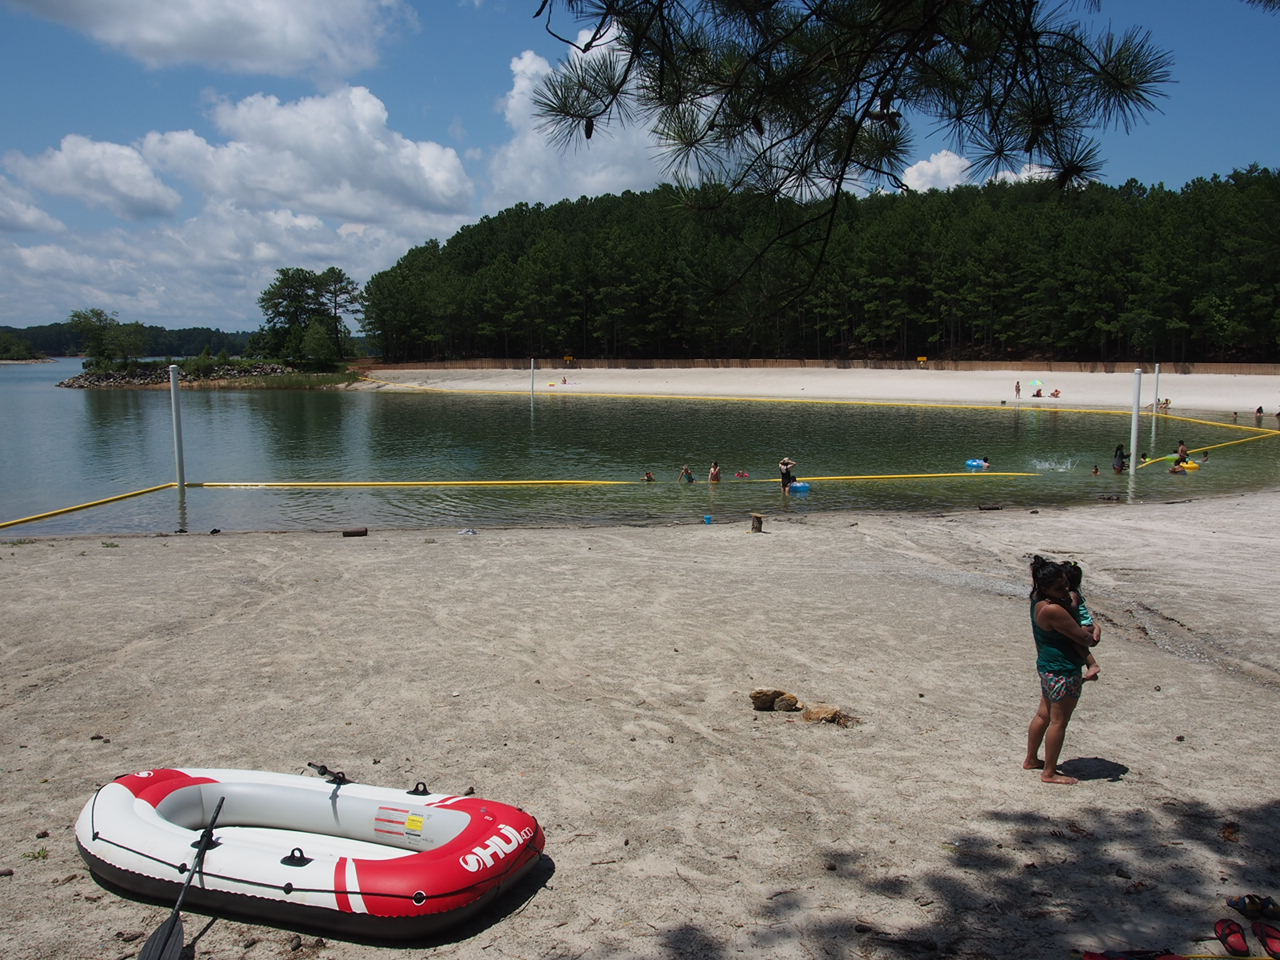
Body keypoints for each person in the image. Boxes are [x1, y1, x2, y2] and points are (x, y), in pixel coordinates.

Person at [1024, 556, 1099, 785]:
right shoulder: (1053, 610)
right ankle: (1048, 772)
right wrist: (1096, 630)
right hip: (1062, 669)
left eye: (1066, 584)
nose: (1065, 590)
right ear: (1045, 587)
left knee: (1043, 714)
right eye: (1059, 588)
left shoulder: (1037, 599)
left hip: (1047, 666)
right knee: (1059, 721)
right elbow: (1085, 638)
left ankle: (1031, 759)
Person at [1063, 561, 1102, 682]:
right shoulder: (1076, 592)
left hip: (1085, 625)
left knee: (1077, 643)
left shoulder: (1072, 595)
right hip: (1088, 623)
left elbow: (1073, 607)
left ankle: (1092, 665)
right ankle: (1091, 672)